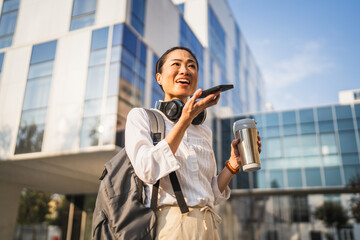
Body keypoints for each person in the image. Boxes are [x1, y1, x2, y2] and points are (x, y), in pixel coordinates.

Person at [125, 46, 261, 239]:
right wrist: (184, 120)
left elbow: (210, 194)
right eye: (176, 64)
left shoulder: (203, 130)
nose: (185, 70)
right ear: (159, 78)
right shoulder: (141, 117)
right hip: (170, 226)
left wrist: (232, 165)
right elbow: (147, 169)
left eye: (191, 66)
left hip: (209, 225)